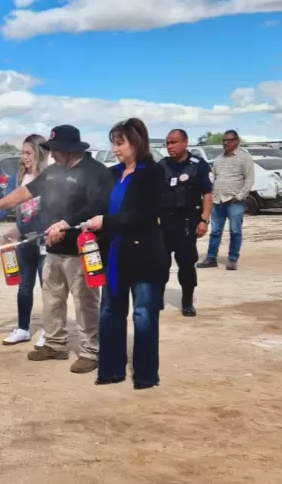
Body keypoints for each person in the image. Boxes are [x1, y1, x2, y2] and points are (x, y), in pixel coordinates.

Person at [0, 125, 112, 374]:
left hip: (82, 248)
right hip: (54, 247)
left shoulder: (96, 172)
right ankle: (55, 343)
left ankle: (91, 351)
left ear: (69, 150)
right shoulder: (53, 171)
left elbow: (98, 206)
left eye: (56, 149)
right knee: (52, 298)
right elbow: (24, 193)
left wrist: (66, 223)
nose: (52, 154)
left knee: (85, 303)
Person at [86, 118, 167, 390]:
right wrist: (65, 223)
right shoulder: (112, 175)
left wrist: (106, 223)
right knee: (110, 312)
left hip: (144, 257)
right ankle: (110, 370)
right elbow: (93, 208)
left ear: (137, 143)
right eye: (113, 142)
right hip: (113, 257)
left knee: (143, 315)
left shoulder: (153, 174)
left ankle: (145, 375)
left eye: (119, 143)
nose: (114, 148)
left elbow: (145, 214)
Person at [0, 134, 50, 347]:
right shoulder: (17, 178)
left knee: (47, 287)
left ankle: (50, 331)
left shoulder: (49, 177)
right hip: (24, 242)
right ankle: (23, 329)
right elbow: (4, 204)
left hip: (45, 241)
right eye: (22, 153)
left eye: (28, 153)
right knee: (24, 286)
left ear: (39, 153)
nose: (24, 157)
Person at [160, 129, 213, 316]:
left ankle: (187, 301)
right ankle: (158, 297)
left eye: (174, 142)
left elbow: (207, 194)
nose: (170, 146)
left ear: (185, 142)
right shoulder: (162, 166)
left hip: (187, 222)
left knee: (186, 264)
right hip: (164, 222)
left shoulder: (198, 166)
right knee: (160, 263)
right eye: (168, 143)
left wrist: (204, 220)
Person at [197, 130, 254, 271]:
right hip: (218, 200)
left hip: (235, 201)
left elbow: (249, 180)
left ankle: (233, 259)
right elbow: (213, 178)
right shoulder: (218, 159)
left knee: (235, 231)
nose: (225, 143)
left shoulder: (244, 158)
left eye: (229, 140)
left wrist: (240, 196)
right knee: (215, 231)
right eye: (224, 140)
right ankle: (211, 258)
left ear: (236, 141)